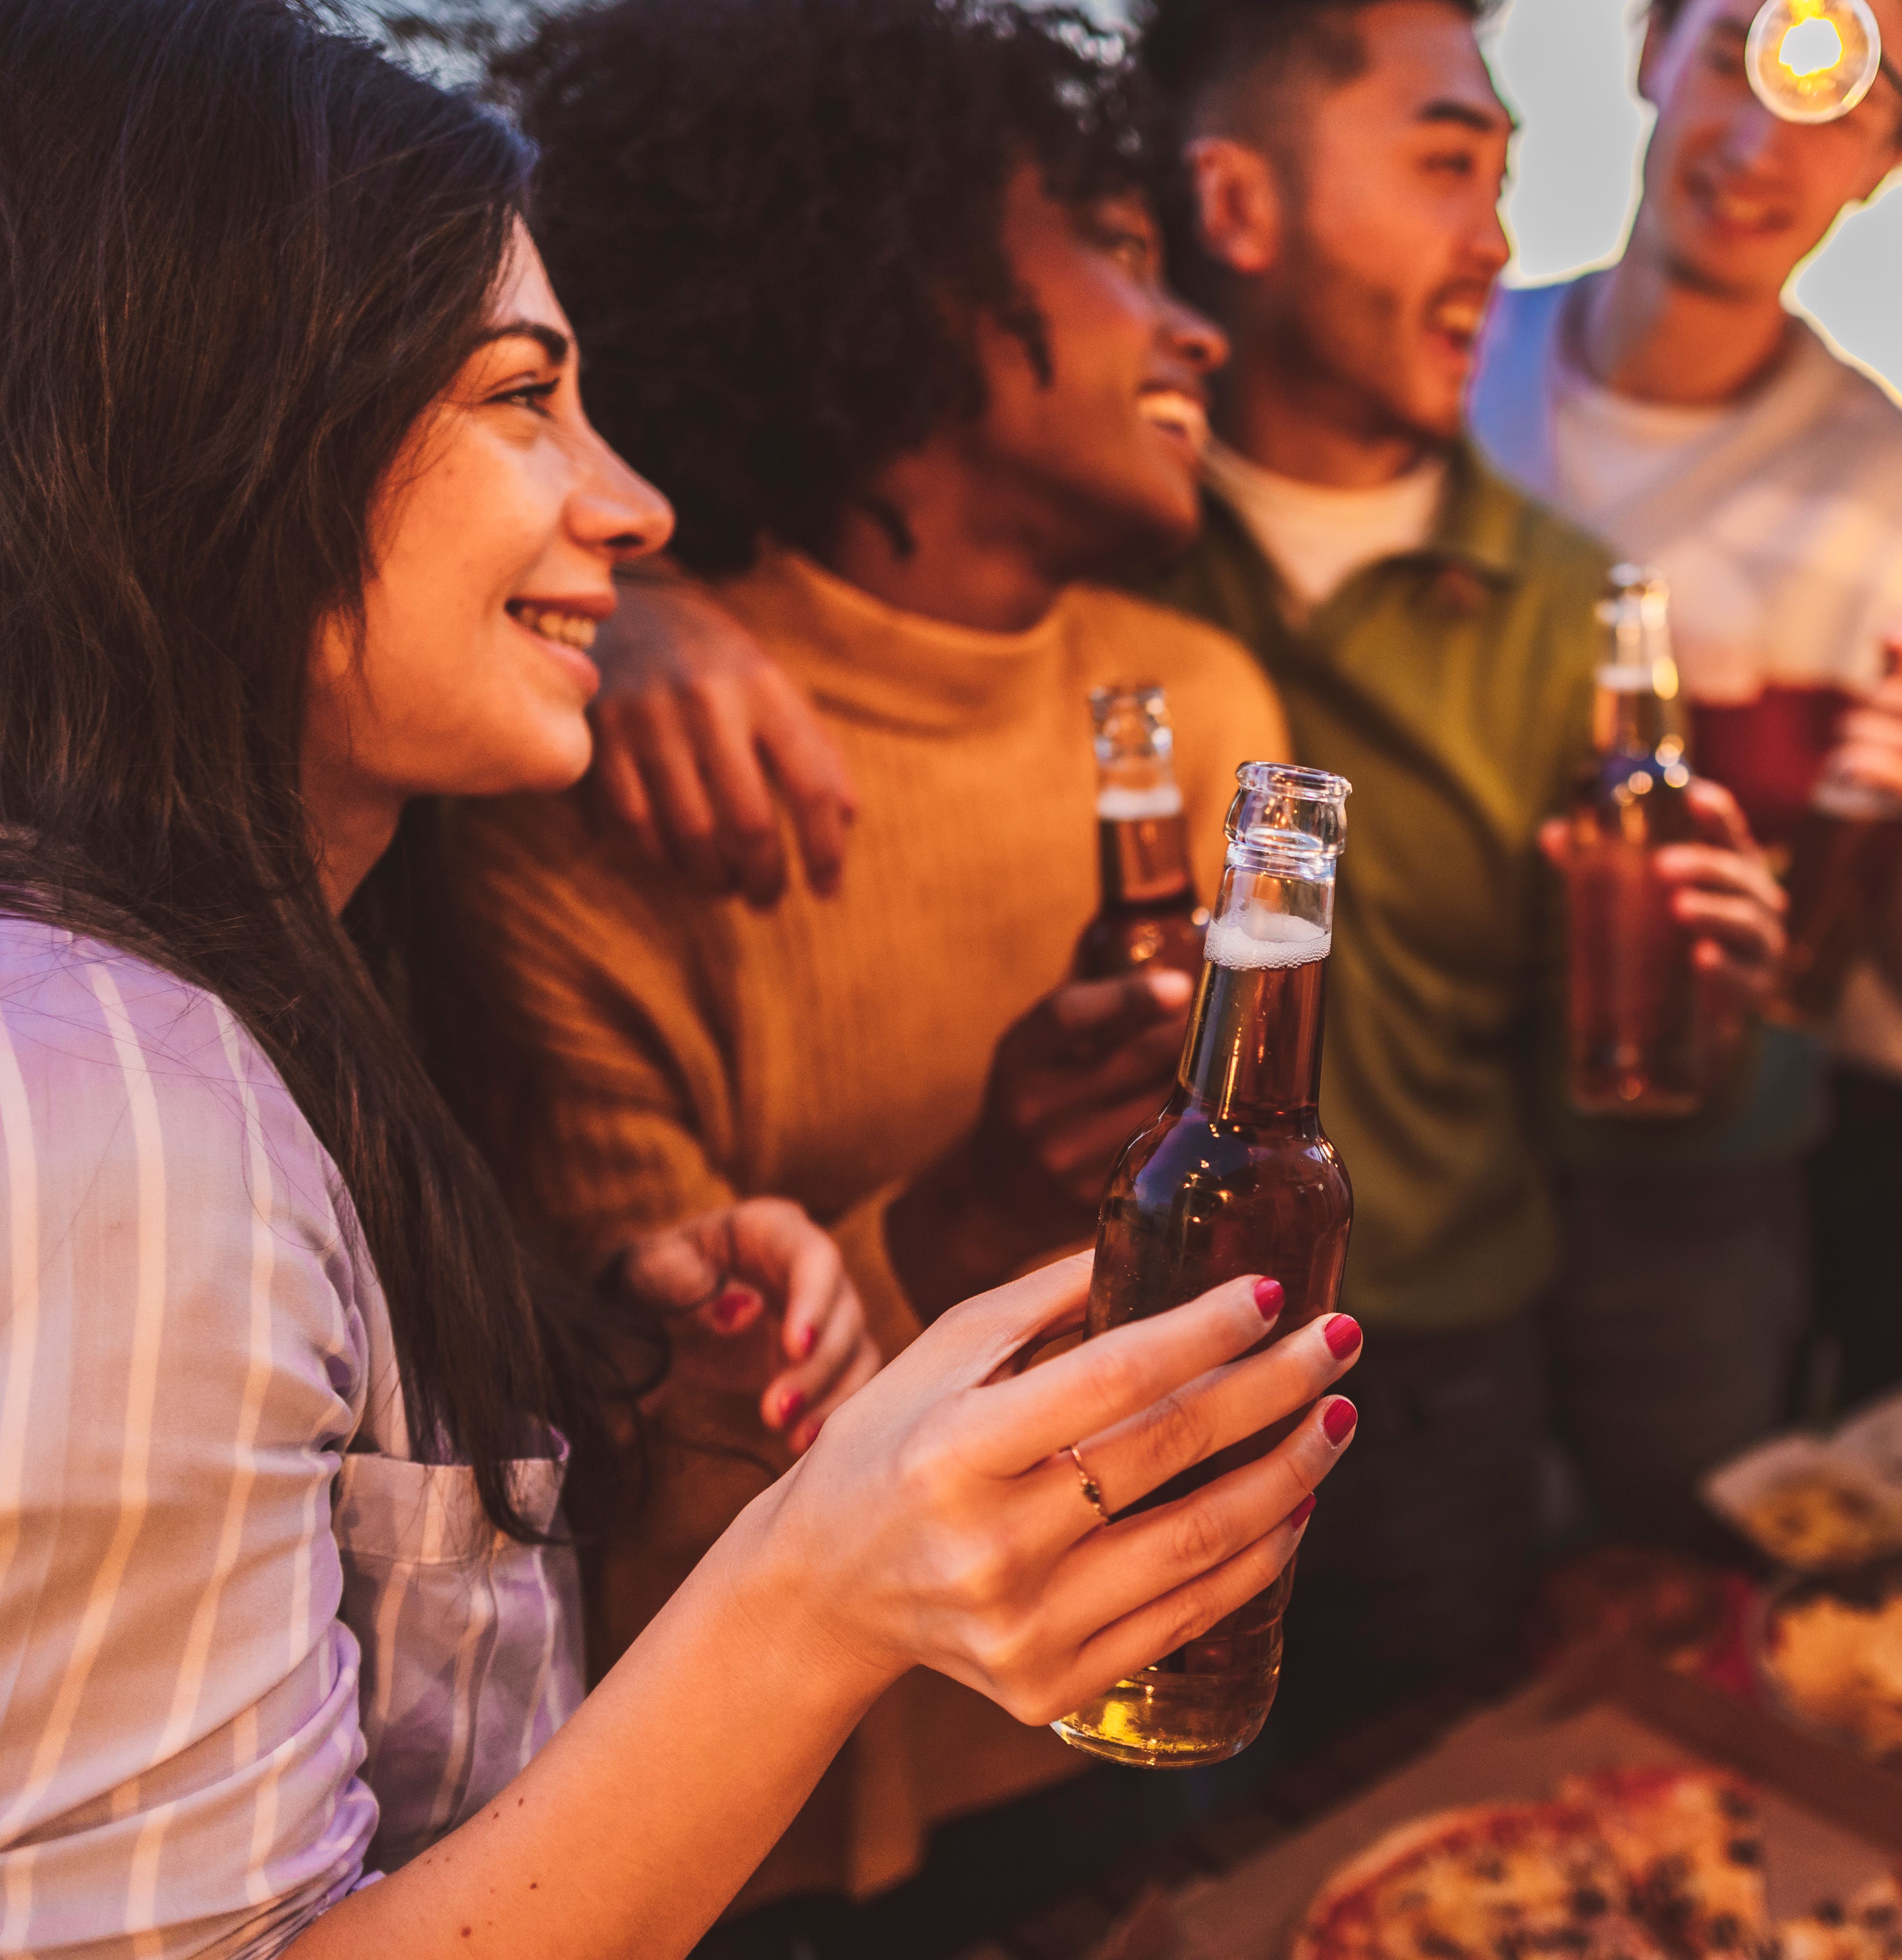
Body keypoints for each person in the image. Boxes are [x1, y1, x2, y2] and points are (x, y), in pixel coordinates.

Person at [0, 4, 1356, 1957]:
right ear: (234, 427)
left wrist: (632, 1369)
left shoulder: (303, 986)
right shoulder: (118, 1102)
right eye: (521, 397)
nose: (632, 513)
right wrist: (823, 1584)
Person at [437, 0, 1292, 1942]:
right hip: (794, 1824)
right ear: (897, 277)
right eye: (1120, 249)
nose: (1201, 331)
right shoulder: (598, 775)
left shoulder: (1213, 711)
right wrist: (985, 1203)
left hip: (1167, 1695)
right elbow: (642, 1464)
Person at [1124, 0, 1788, 1733]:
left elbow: (1621, 1071)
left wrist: (1709, 991)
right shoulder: (1092, 532)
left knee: (1416, 1810)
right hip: (1118, 1358)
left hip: (1432, 1386)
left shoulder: (1576, 607)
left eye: (1502, 178)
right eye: (1441, 165)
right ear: (1239, 205)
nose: (1495, 239)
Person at [1467, 0, 1902, 1509]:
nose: (1761, 137)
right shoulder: (1449, 370)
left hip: (1697, 1195)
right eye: (1738, 49)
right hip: (1415, 1148)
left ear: (1888, 158)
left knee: (1672, 1603)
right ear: (1649, 47)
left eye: (1844, 99)